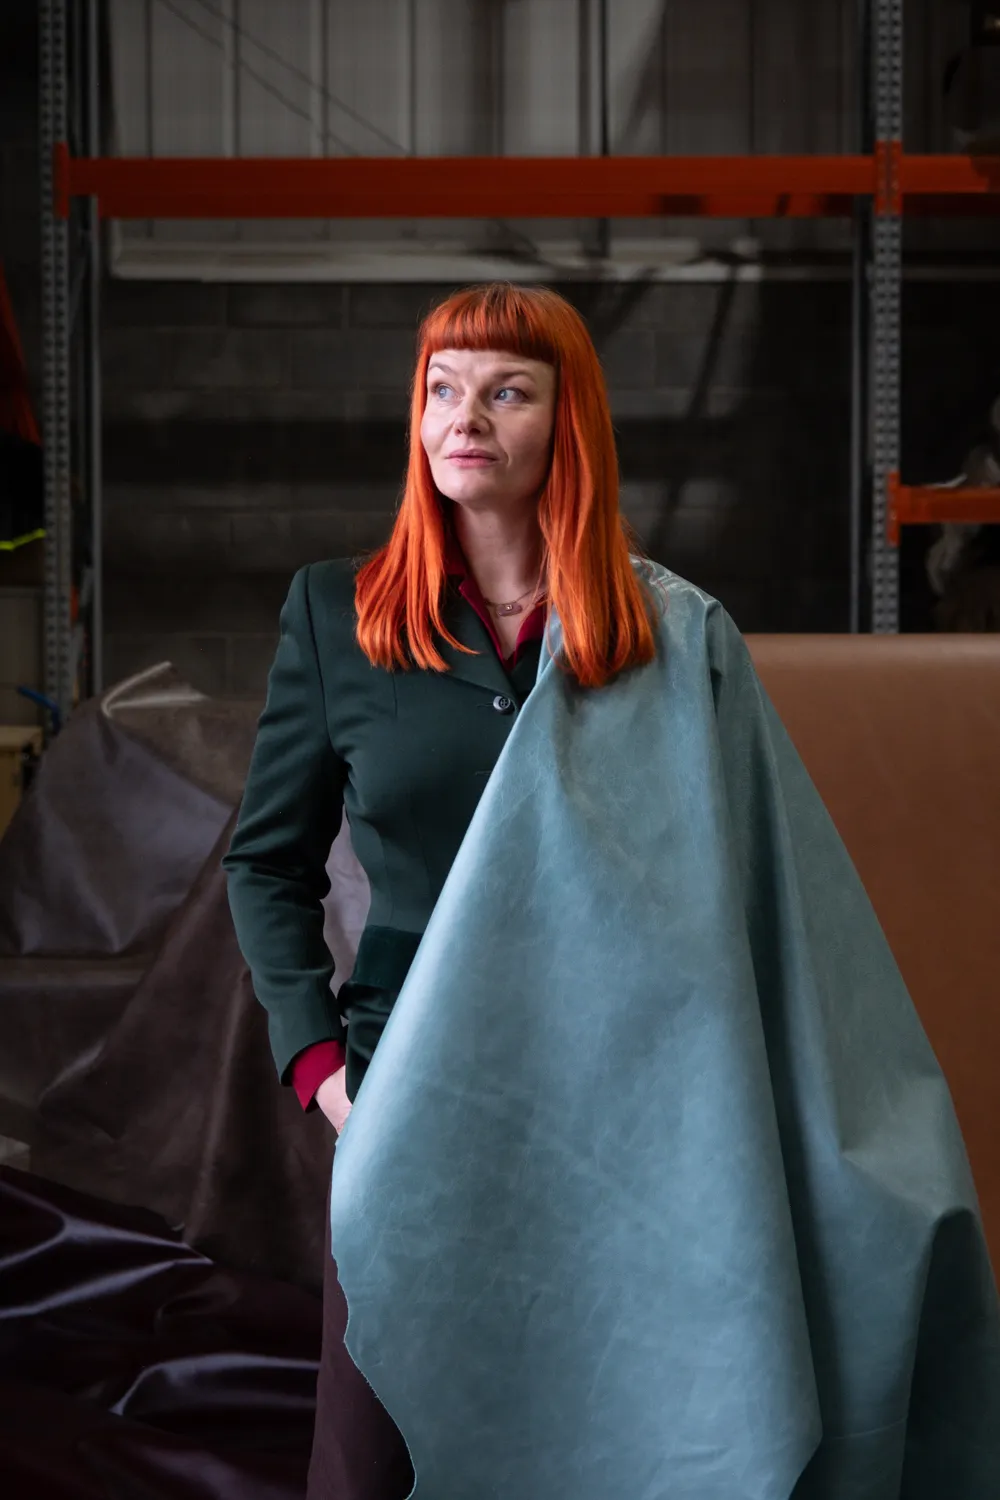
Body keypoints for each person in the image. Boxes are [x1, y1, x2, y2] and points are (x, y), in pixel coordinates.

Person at [224, 283, 1000, 1500]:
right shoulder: (340, 616)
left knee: (624, 1435)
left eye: (505, 390)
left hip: (626, 1123)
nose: (462, 417)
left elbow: (756, 894)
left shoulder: (671, 635)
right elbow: (264, 864)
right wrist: (324, 1075)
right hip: (411, 1098)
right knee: (377, 1458)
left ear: (566, 423)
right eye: (439, 389)